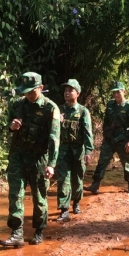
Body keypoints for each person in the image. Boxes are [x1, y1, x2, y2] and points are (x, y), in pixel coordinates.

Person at [0, 72, 60, 247]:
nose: (27, 95)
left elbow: (54, 138)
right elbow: (7, 125)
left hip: (39, 159)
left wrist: (51, 164)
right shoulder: (17, 105)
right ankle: (16, 233)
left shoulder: (50, 108)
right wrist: (11, 126)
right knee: (15, 194)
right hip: (18, 156)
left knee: (39, 196)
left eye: (31, 91)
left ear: (41, 88)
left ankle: (39, 230)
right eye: (25, 91)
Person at [84, 81, 129, 194]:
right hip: (110, 139)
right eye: (114, 92)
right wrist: (105, 135)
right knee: (102, 162)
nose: (116, 95)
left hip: (123, 140)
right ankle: (95, 185)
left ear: (124, 92)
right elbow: (106, 121)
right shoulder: (110, 104)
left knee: (126, 163)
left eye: (118, 92)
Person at [55, 79, 94, 223]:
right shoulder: (58, 110)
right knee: (63, 180)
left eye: (70, 90)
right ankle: (64, 210)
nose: (67, 93)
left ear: (77, 93)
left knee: (77, 180)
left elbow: (87, 132)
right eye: (65, 90)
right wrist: (56, 121)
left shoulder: (83, 111)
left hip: (78, 151)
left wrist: (89, 151)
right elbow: (51, 130)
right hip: (63, 151)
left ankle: (76, 202)